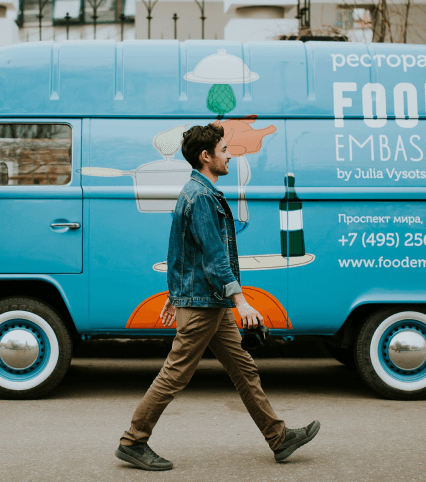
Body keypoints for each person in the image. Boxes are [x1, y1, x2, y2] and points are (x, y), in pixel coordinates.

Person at [114, 124, 320, 471]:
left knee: (244, 370)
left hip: (208, 301)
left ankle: (278, 437)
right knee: (174, 375)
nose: (229, 155)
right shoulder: (202, 197)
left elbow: (181, 248)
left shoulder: (197, 193)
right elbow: (213, 255)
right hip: (204, 305)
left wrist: (173, 292)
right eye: (224, 150)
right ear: (205, 156)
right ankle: (133, 441)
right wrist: (241, 300)